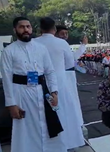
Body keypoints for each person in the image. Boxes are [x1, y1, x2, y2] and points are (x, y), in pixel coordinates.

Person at [1, 17, 65, 152]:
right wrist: (11, 104)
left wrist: (54, 92)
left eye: (28, 26)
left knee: (47, 124)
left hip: (42, 91)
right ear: (15, 30)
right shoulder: (9, 51)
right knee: (25, 128)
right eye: (22, 27)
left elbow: (50, 71)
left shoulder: (41, 48)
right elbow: (6, 78)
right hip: (21, 94)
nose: (26, 30)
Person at [35, 17, 85, 151]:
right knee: (64, 113)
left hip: (39, 82)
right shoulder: (61, 44)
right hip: (60, 81)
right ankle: (66, 143)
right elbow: (69, 63)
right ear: (54, 29)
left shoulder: (33, 42)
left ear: (40, 29)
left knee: (41, 114)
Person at [55, 25, 87, 127]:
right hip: (63, 79)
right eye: (62, 34)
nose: (65, 36)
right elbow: (72, 58)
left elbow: (71, 60)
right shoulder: (58, 45)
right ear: (56, 34)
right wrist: (83, 45)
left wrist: (77, 64)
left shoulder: (63, 45)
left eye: (66, 33)